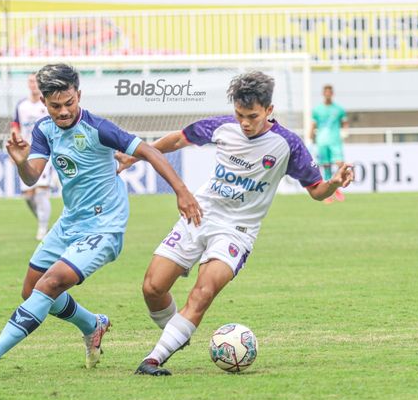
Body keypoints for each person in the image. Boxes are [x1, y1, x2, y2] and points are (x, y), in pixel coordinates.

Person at [116, 71, 353, 376]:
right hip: (199, 215)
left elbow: (317, 191)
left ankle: (154, 358)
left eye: (252, 116)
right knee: (152, 287)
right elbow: (178, 139)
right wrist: (137, 157)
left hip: (237, 230)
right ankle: (176, 332)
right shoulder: (221, 127)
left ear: (269, 110)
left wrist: (333, 183)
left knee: (202, 293)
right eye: (240, 115)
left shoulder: (288, 145)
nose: (245, 122)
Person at [0, 63, 202, 374]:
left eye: (69, 103)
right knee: (31, 290)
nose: (64, 111)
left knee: (50, 283)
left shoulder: (99, 129)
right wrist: (21, 163)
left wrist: (181, 191)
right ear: (44, 102)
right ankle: (92, 325)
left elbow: (149, 151)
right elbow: (32, 177)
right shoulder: (43, 130)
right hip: (70, 223)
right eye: (56, 106)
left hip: (104, 227)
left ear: (79, 95)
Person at [12, 73, 52, 240]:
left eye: (35, 81)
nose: (33, 84)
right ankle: (42, 222)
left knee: (41, 191)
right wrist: (14, 146)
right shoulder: (22, 105)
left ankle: (43, 229)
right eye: (30, 81)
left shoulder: (48, 103)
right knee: (28, 196)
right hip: (26, 152)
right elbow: (15, 126)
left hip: (44, 151)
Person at [309, 84, 349, 203]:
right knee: (326, 165)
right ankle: (328, 193)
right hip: (322, 141)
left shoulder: (339, 109)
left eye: (329, 92)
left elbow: (345, 123)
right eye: (326, 92)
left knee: (340, 164)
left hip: (335, 140)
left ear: (332, 94)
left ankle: (336, 188)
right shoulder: (317, 110)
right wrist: (310, 138)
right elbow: (313, 125)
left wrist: (344, 133)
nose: (327, 94)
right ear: (323, 93)